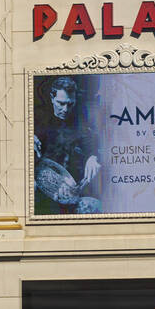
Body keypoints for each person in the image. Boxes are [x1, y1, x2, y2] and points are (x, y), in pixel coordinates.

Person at [33, 75, 102, 213]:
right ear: (52, 98)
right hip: (40, 185)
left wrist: (93, 156)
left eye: (70, 104)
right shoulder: (35, 119)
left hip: (72, 187)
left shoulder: (80, 120)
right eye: (61, 103)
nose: (65, 109)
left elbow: (91, 142)